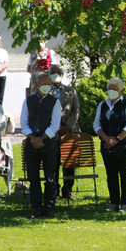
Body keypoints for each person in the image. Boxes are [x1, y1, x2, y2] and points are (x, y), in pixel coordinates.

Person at [20, 72, 62, 219]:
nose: (46, 87)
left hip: (49, 143)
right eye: (44, 84)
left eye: (48, 84)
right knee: (33, 177)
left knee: (50, 177)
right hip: (32, 143)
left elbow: (55, 124)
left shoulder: (55, 102)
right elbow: (24, 122)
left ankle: (49, 207)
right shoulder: (28, 101)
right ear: (37, 85)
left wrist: (42, 138)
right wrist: (32, 138)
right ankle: (36, 208)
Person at [93, 77, 126, 213]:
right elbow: (96, 124)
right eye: (109, 88)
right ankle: (114, 202)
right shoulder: (102, 105)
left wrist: (116, 139)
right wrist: (106, 138)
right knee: (111, 174)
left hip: (123, 145)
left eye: (114, 89)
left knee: (125, 173)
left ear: (121, 90)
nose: (111, 91)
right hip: (107, 145)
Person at [49, 64, 81, 201]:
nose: (55, 75)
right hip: (51, 132)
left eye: (57, 72)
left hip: (69, 132)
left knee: (69, 163)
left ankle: (67, 190)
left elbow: (76, 111)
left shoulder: (71, 91)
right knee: (53, 163)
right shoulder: (44, 91)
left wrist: (68, 126)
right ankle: (53, 190)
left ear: (62, 75)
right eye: (52, 72)